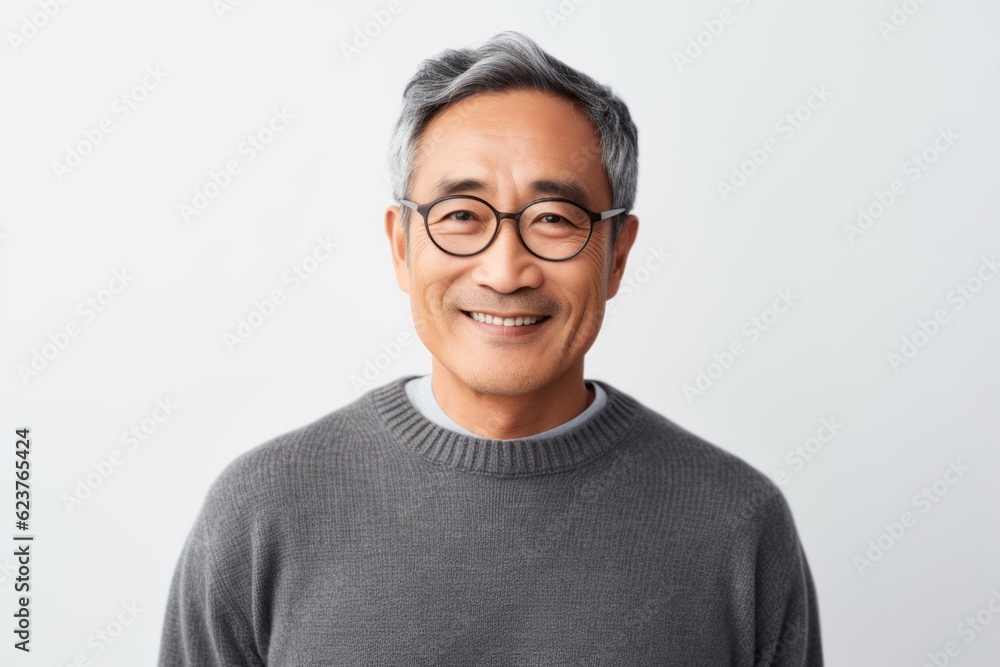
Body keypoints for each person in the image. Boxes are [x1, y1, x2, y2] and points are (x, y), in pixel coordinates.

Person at [158, 30, 823, 666]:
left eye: (555, 220)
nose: (506, 271)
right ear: (401, 245)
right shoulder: (259, 514)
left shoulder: (737, 526)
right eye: (461, 217)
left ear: (617, 255)